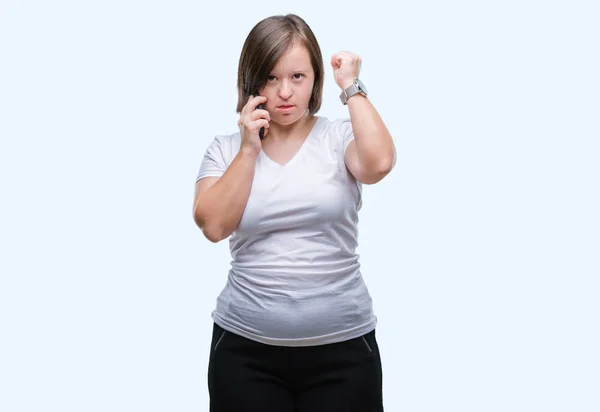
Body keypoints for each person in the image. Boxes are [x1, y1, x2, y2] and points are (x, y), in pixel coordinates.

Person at [192, 13, 396, 412]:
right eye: (271, 77)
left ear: (315, 79)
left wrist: (351, 86)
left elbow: (379, 163)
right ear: (252, 81)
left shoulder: (338, 137)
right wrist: (250, 148)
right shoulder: (225, 148)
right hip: (245, 354)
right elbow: (213, 225)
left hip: (344, 352)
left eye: (298, 77)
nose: (285, 91)